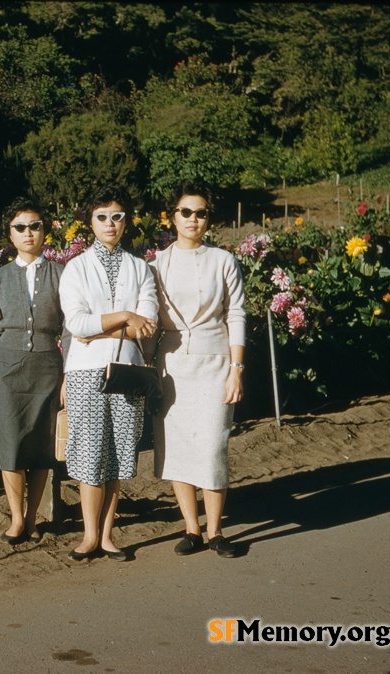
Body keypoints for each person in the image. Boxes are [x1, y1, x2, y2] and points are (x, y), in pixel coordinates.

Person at [58, 184, 158, 562]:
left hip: (128, 370)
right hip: (86, 372)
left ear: (126, 220)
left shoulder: (140, 268)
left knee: (117, 453)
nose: (110, 224)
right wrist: (124, 317)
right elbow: (77, 324)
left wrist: (117, 324)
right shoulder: (76, 269)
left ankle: (107, 535)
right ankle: (87, 536)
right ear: (90, 221)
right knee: (89, 453)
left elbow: (146, 324)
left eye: (117, 216)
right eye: (102, 217)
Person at [149, 181, 246, 558]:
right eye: (185, 212)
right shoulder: (155, 264)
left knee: (211, 447)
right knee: (178, 447)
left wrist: (236, 368)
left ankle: (216, 531)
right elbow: (147, 319)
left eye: (201, 212)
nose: (193, 219)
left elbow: (236, 313)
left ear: (209, 218)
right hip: (171, 364)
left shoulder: (223, 260)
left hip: (216, 361)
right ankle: (191, 529)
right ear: (172, 215)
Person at [0, 197, 67, 545]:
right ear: (10, 235)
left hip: (47, 365)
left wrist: (67, 375)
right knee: (10, 442)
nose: (28, 233)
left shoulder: (62, 273)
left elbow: (71, 328)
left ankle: (32, 518)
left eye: (35, 225)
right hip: (7, 368)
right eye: (20, 227)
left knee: (41, 445)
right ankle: (15, 518)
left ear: (46, 230)